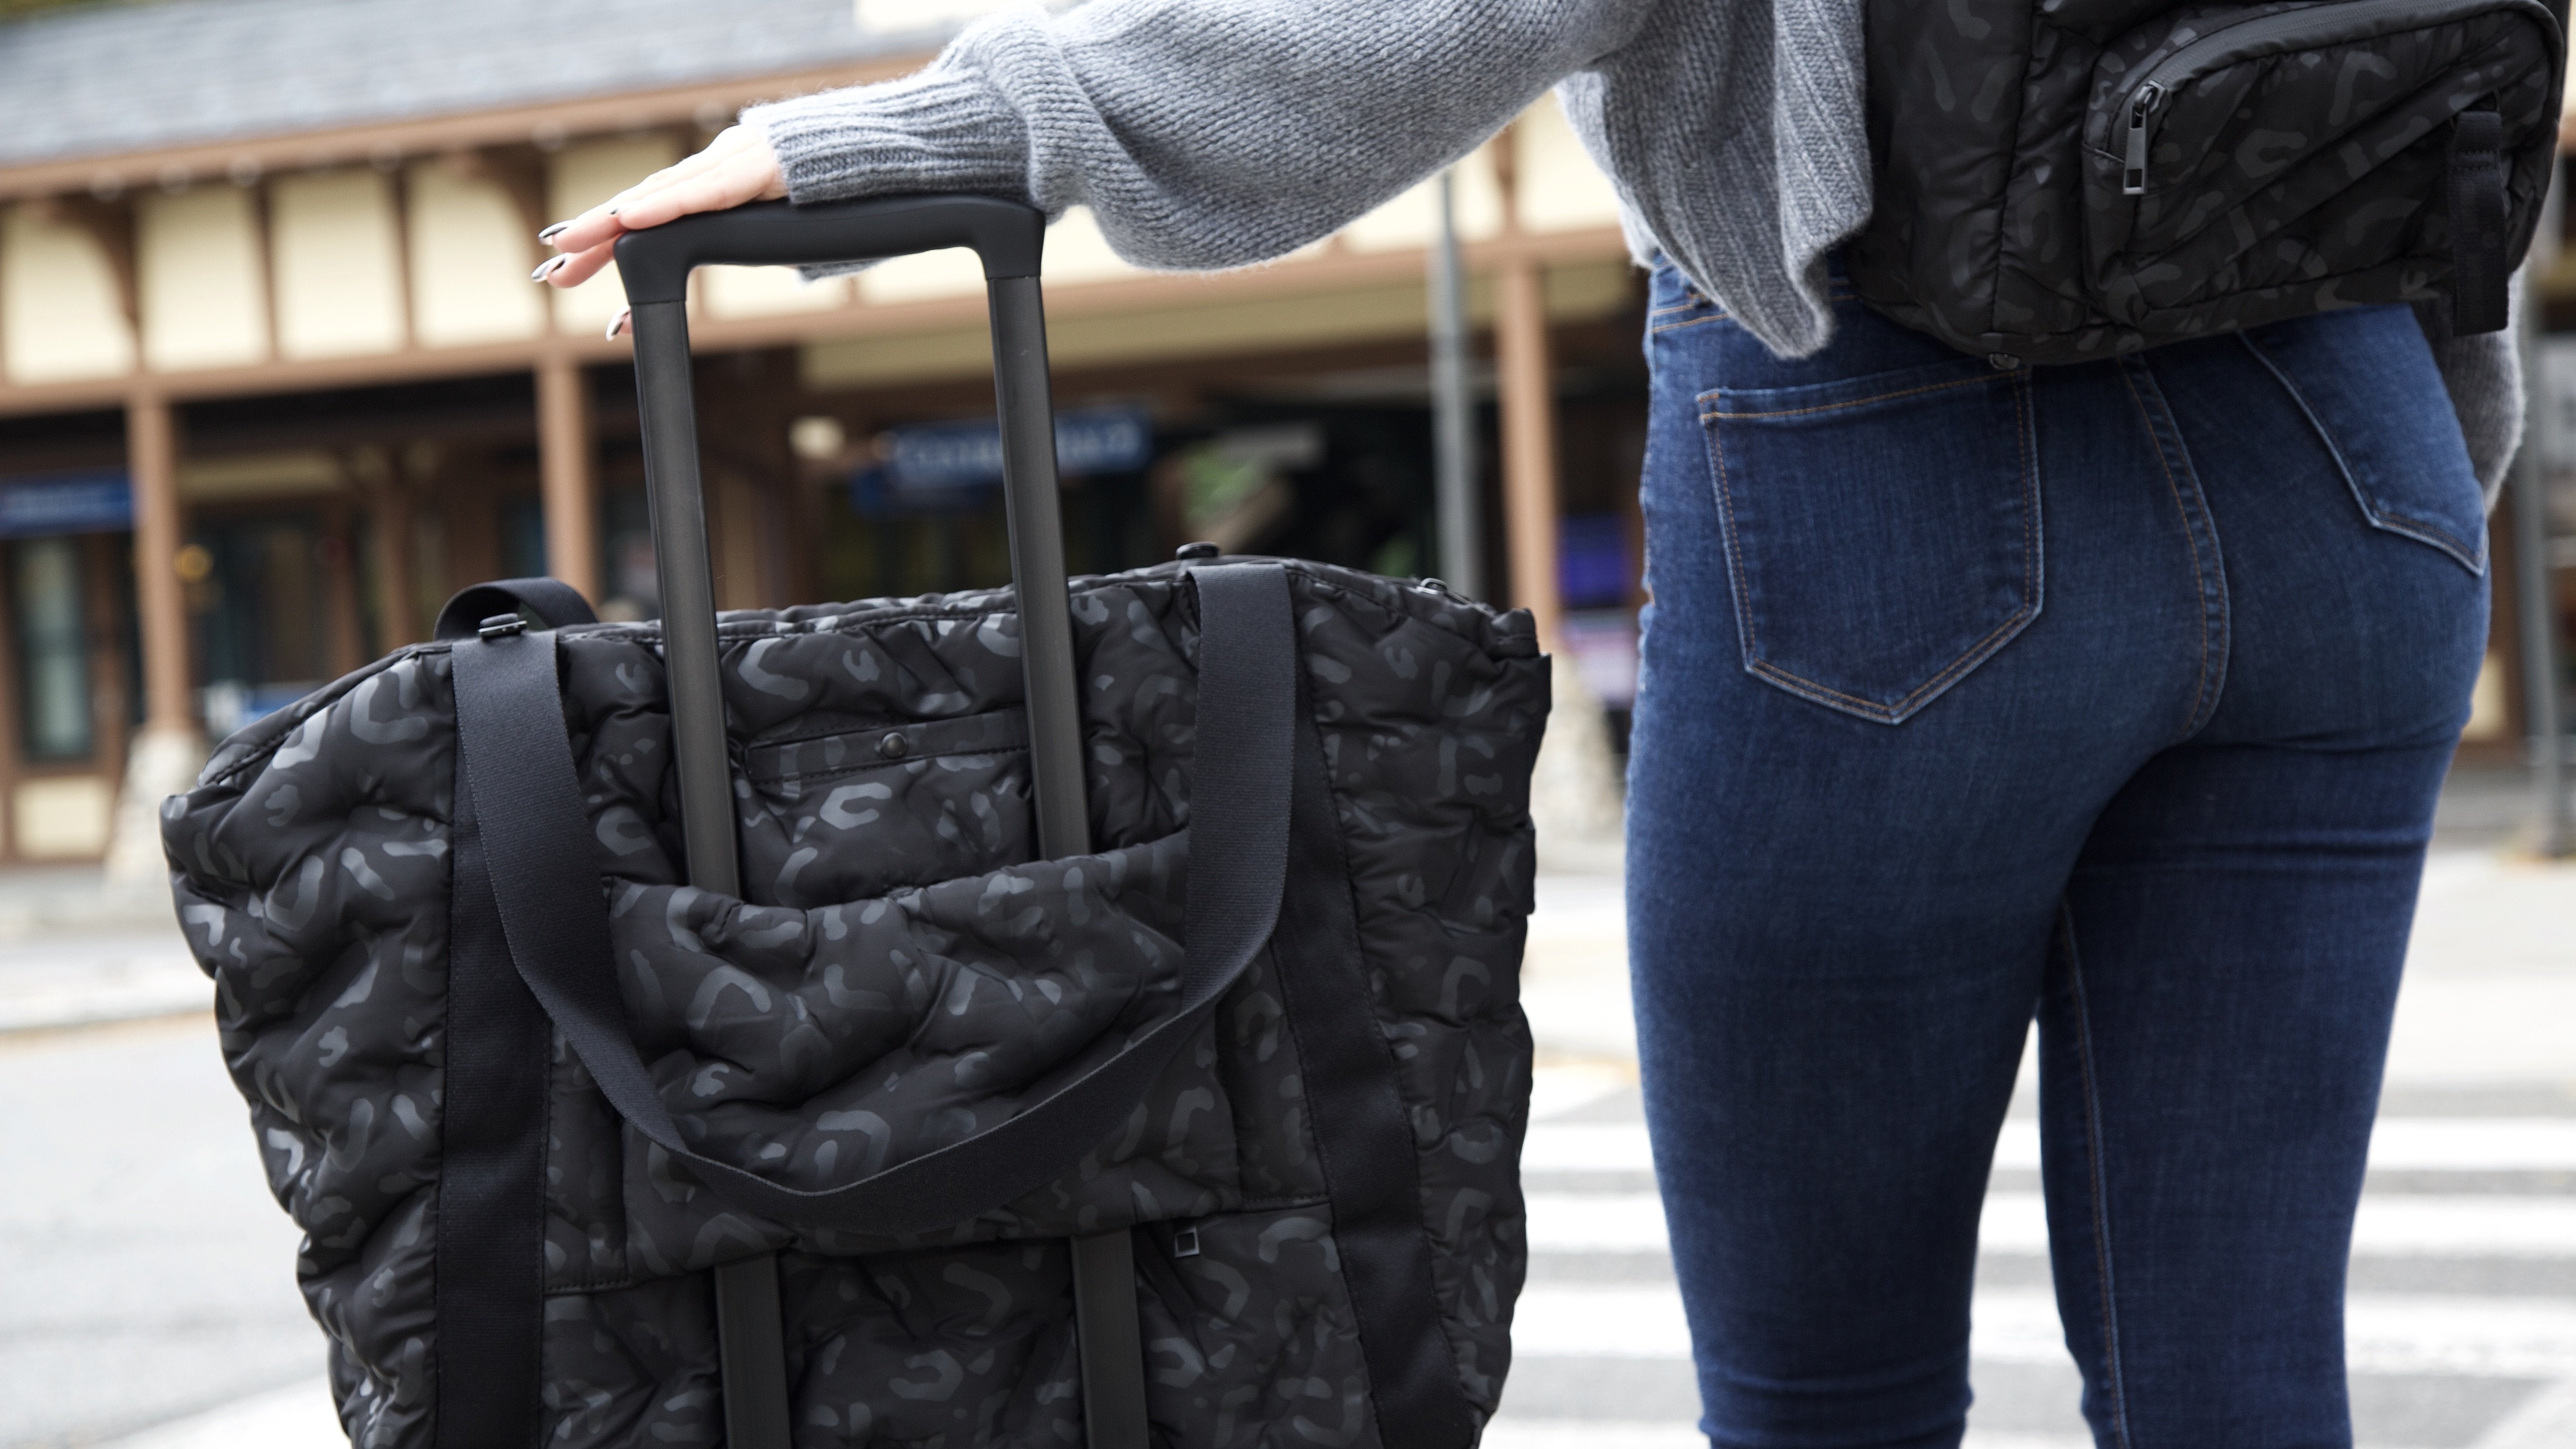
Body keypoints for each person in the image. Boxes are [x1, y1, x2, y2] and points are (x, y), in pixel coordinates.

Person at [540, 5, 2518, 1445]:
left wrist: (961, 120)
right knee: (2243, 1379)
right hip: (2356, 458)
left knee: (1833, 1394)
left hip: (1896, 455)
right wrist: (2430, 477)